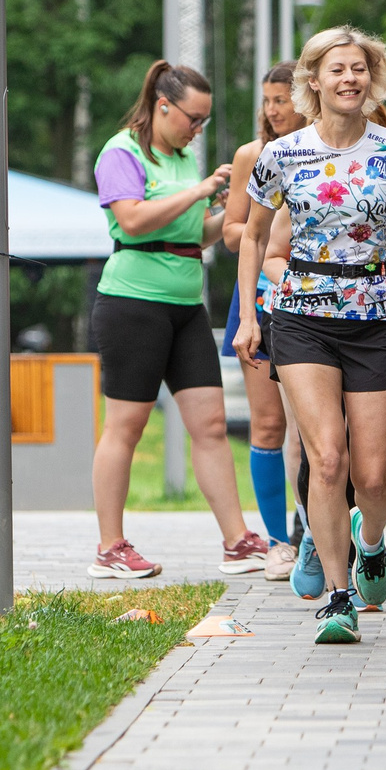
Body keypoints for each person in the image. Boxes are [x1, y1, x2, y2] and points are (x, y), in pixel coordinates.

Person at [234, 27, 386, 647]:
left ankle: (369, 541)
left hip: (376, 315)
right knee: (327, 458)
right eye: (338, 70)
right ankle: (340, 596)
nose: (351, 79)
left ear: (374, 80)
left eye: (361, 70)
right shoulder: (282, 154)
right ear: (313, 82)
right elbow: (252, 235)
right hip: (301, 313)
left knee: (373, 477)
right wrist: (247, 316)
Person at [91, 61, 260, 581]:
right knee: (128, 425)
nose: (197, 130)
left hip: (187, 306)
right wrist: (199, 190)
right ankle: (110, 546)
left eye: (204, 122)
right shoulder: (122, 151)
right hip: (132, 303)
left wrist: (236, 212)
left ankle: (238, 541)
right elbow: (133, 219)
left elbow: (196, 236)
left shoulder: (185, 159)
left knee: (209, 425)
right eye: (193, 118)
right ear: (163, 106)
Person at [223, 63, 310, 580]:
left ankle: (316, 532)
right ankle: (277, 541)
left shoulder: (330, 152)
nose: (273, 110)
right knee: (270, 423)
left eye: (282, 99)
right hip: (259, 295)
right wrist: (272, 226)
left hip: (317, 298)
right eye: (268, 100)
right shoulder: (253, 156)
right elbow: (236, 232)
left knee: (316, 428)